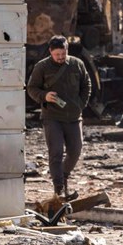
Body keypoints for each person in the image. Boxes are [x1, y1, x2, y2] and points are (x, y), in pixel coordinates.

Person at [27, 35, 92, 200]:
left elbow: (87, 84)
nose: (61, 58)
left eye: (63, 54)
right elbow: (32, 88)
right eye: (57, 55)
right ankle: (59, 188)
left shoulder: (77, 64)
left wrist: (80, 104)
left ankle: (63, 176)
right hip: (52, 117)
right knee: (55, 152)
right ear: (50, 52)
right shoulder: (42, 67)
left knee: (75, 151)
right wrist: (45, 96)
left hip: (74, 116)